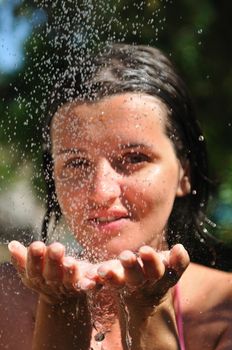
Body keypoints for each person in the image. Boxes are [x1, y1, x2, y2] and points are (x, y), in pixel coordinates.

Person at [4, 44, 232, 350]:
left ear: (184, 174)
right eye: (76, 163)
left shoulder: (223, 310)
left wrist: (148, 311)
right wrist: (58, 305)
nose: (101, 192)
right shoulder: (7, 300)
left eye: (135, 158)